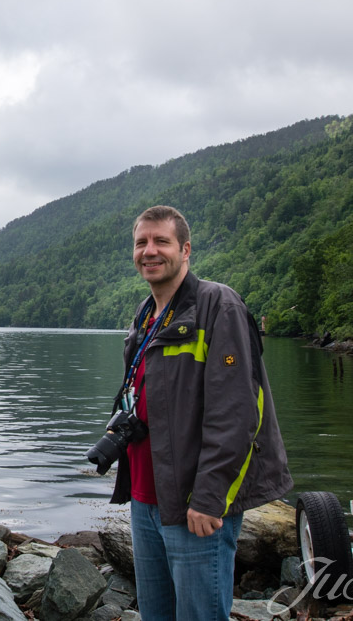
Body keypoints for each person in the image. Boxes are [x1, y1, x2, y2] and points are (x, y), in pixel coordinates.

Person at [109, 205, 293, 620]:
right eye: (142, 243)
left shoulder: (217, 305)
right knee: (157, 615)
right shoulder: (146, 314)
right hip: (145, 497)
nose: (149, 251)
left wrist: (210, 499)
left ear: (186, 249)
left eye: (161, 242)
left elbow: (237, 414)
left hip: (195, 502)